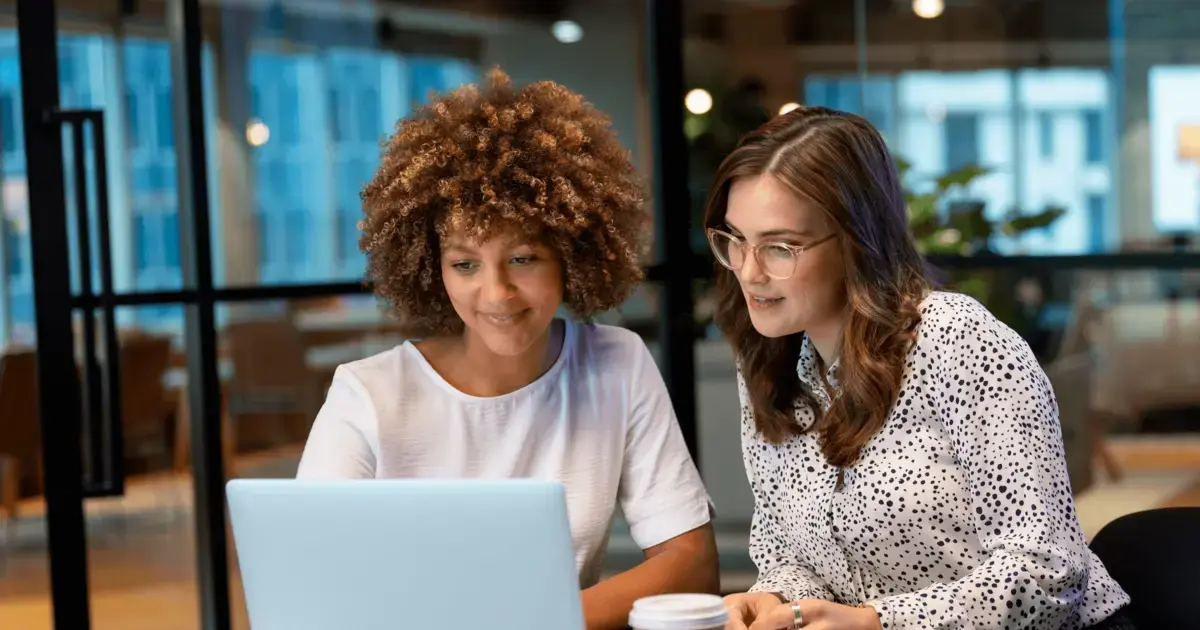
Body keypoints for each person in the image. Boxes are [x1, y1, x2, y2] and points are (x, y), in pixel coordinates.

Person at [296, 68, 719, 630]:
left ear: (572, 255)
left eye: (523, 258)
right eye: (464, 264)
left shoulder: (616, 365)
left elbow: (691, 565)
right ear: (431, 267)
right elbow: (310, 587)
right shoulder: (367, 395)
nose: (496, 293)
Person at [704, 107, 1134, 630]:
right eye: (734, 240)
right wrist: (772, 597)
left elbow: (1049, 573)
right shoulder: (770, 361)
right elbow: (784, 549)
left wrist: (875, 622)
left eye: (779, 247)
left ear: (855, 244)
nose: (749, 272)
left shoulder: (958, 343)